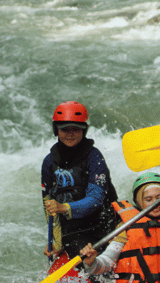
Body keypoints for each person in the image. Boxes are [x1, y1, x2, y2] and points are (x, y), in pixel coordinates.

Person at [41, 101, 118, 259]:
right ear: (56, 130)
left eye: (75, 129)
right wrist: (57, 243)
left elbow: (96, 199)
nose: (70, 134)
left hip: (104, 226)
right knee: (85, 259)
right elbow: (49, 206)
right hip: (74, 232)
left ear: (84, 130)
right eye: (65, 129)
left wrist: (64, 208)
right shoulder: (49, 162)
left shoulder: (94, 157)